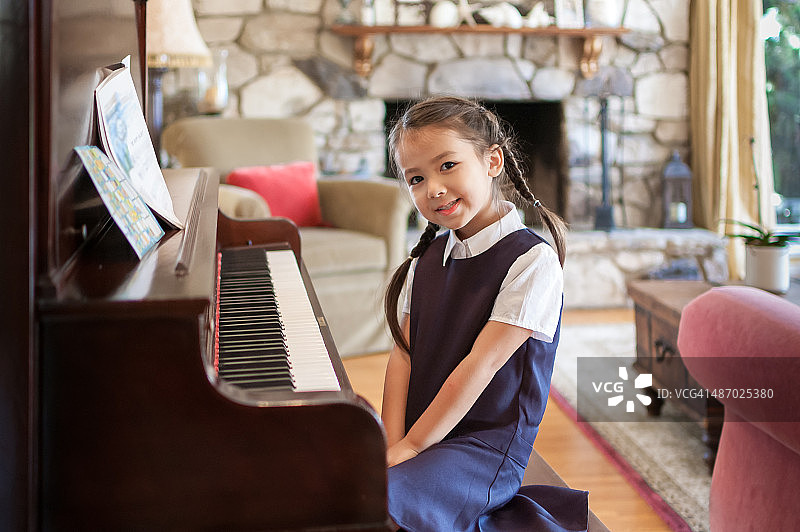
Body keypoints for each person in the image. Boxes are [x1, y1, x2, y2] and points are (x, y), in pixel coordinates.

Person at [381, 96, 588, 531]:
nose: (433, 187)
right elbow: (403, 356)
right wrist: (391, 443)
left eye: (447, 165)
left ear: (492, 161)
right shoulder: (427, 259)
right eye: (416, 177)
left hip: (482, 448)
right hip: (423, 431)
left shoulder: (532, 262)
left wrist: (413, 447)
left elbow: (482, 363)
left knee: (385, 502)